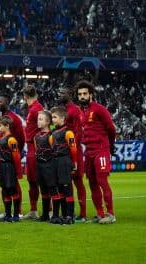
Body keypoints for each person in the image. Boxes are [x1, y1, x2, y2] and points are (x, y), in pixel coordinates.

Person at [76, 80, 117, 224]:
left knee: (102, 181)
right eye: (80, 94)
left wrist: (110, 146)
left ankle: (110, 214)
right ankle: (100, 214)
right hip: (89, 152)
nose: (82, 96)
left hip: (101, 149)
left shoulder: (99, 109)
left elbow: (111, 129)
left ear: (91, 95)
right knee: (92, 182)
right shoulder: (81, 112)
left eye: (85, 94)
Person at [59, 86, 88, 222]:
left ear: (70, 94)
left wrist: (72, 148)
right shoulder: (62, 110)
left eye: (63, 92)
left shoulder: (75, 110)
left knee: (78, 181)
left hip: (73, 151)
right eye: (60, 92)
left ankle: (82, 214)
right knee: (65, 183)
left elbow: (79, 131)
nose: (60, 94)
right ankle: (67, 213)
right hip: (63, 153)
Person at [50, 107, 77, 225]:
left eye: (55, 117)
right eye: (52, 117)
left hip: (64, 161)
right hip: (56, 162)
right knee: (59, 189)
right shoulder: (53, 133)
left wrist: (73, 163)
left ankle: (70, 216)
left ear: (63, 118)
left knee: (67, 189)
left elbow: (73, 149)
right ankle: (64, 215)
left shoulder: (68, 132)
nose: (52, 119)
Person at [21, 85, 44, 220]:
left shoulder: (37, 109)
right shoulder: (33, 109)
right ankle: (33, 210)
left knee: (41, 180)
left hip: (36, 148)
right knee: (31, 180)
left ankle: (49, 210)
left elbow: (45, 126)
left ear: (25, 96)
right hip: (31, 148)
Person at [0, 116, 23, 223]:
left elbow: (16, 157)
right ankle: (7, 214)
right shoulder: (1, 138)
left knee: (13, 190)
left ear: (7, 126)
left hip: (10, 167)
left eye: (0, 126)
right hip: (2, 167)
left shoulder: (11, 140)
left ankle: (16, 215)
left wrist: (18, 172)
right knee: (5, 191)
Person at [34, 110, 56, 223]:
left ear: (48, 122)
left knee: (52, 189)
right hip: (40, 166)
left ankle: (55, 214)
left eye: (41, 119)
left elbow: (54, 151)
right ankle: (45, 214)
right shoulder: (36, 136)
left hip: (49, 165)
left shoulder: (51, 136)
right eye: (38, 119)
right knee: (43, 190)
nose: (38, 121)